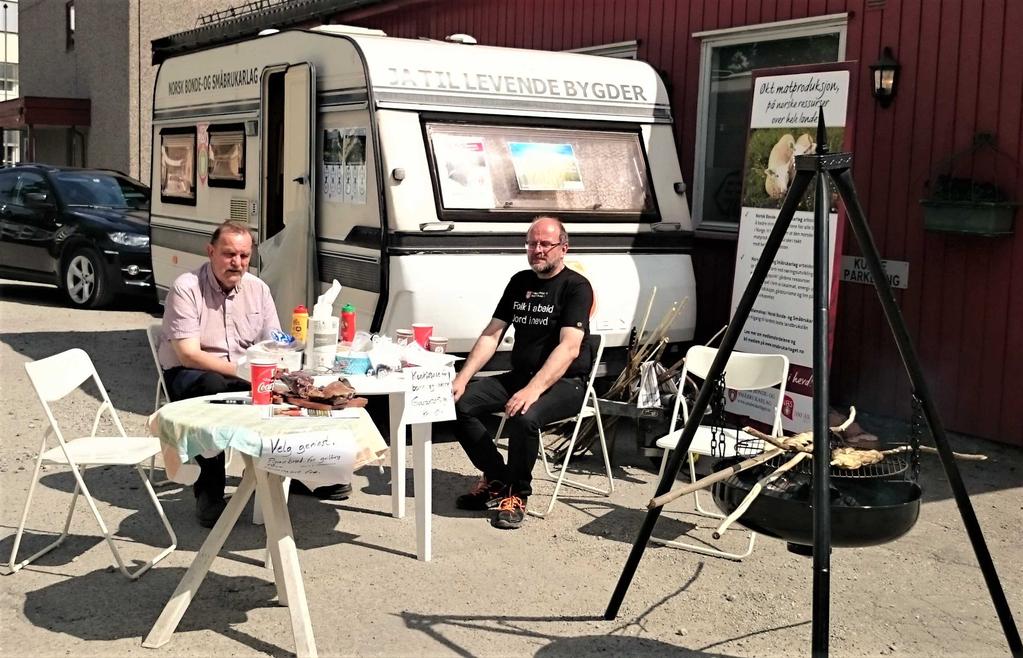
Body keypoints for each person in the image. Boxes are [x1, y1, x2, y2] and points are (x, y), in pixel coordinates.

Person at [451, 216, 594, 529]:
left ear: (563, 248)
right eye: (532, 243)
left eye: (545, 244)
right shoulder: (520, 282)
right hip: (520, 375)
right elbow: (493, 333)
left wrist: (533, 389)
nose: (538, 250)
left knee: (524, 416)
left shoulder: (576, 287)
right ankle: (498, 478)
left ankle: (518, 493)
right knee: (459, 405)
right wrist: (462, 377)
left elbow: (570, 348)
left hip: (565, 383)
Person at [157, 220, 281, 527]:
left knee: (292, 386)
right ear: (211, 252)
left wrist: (282, 360)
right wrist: (244, 371)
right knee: (212, 386)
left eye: (244, 256)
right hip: (190, 373)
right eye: (229, 254)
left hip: (242, 372)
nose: (237, 263)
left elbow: (273, 342)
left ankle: (302, 474)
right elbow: (188, 354)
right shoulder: (187, 288)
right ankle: (209, 493)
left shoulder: (258, 289)